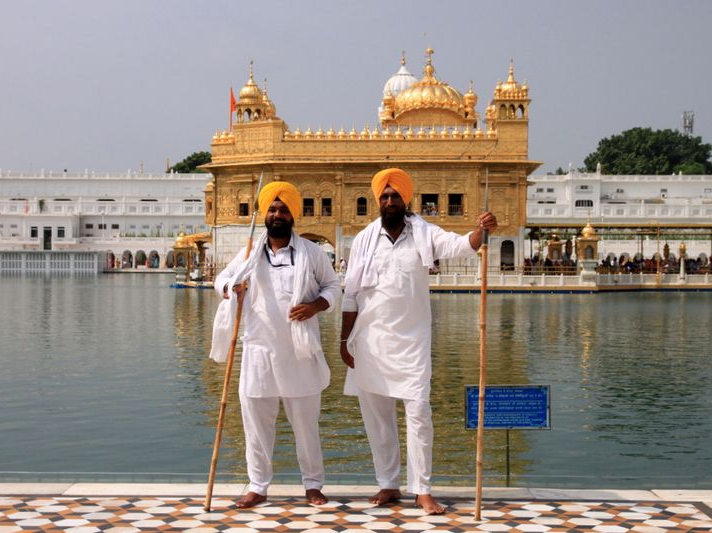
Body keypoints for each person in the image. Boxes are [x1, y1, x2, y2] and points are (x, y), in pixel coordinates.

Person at [339, 168, 497, 515]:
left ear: (406, 199)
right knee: (377, 418)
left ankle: (422, 489)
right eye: (385, 196)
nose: (390, 201)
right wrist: (343, 339)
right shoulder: (366, 237)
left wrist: (482, 232)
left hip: (412, 341)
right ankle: (388, 484)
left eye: (396, 196)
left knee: (419, 413)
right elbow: (350, 294)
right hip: (369, 341)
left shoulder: (424, 233)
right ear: (378, 200)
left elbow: (460, 245)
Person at [210, 181, 340, 509]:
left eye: (283, 209)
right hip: (258, 351)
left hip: (299, 352)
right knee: (256, 425)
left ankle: (313, 484)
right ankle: (257, 485)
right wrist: (231, 288)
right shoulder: (249, 253)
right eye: (272, 208)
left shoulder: (312, 253)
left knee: (306, 426)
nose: (277, 214)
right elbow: (220, 280)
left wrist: (314, 307)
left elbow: (334, 287)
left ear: (292, 214)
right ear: (264, 214)